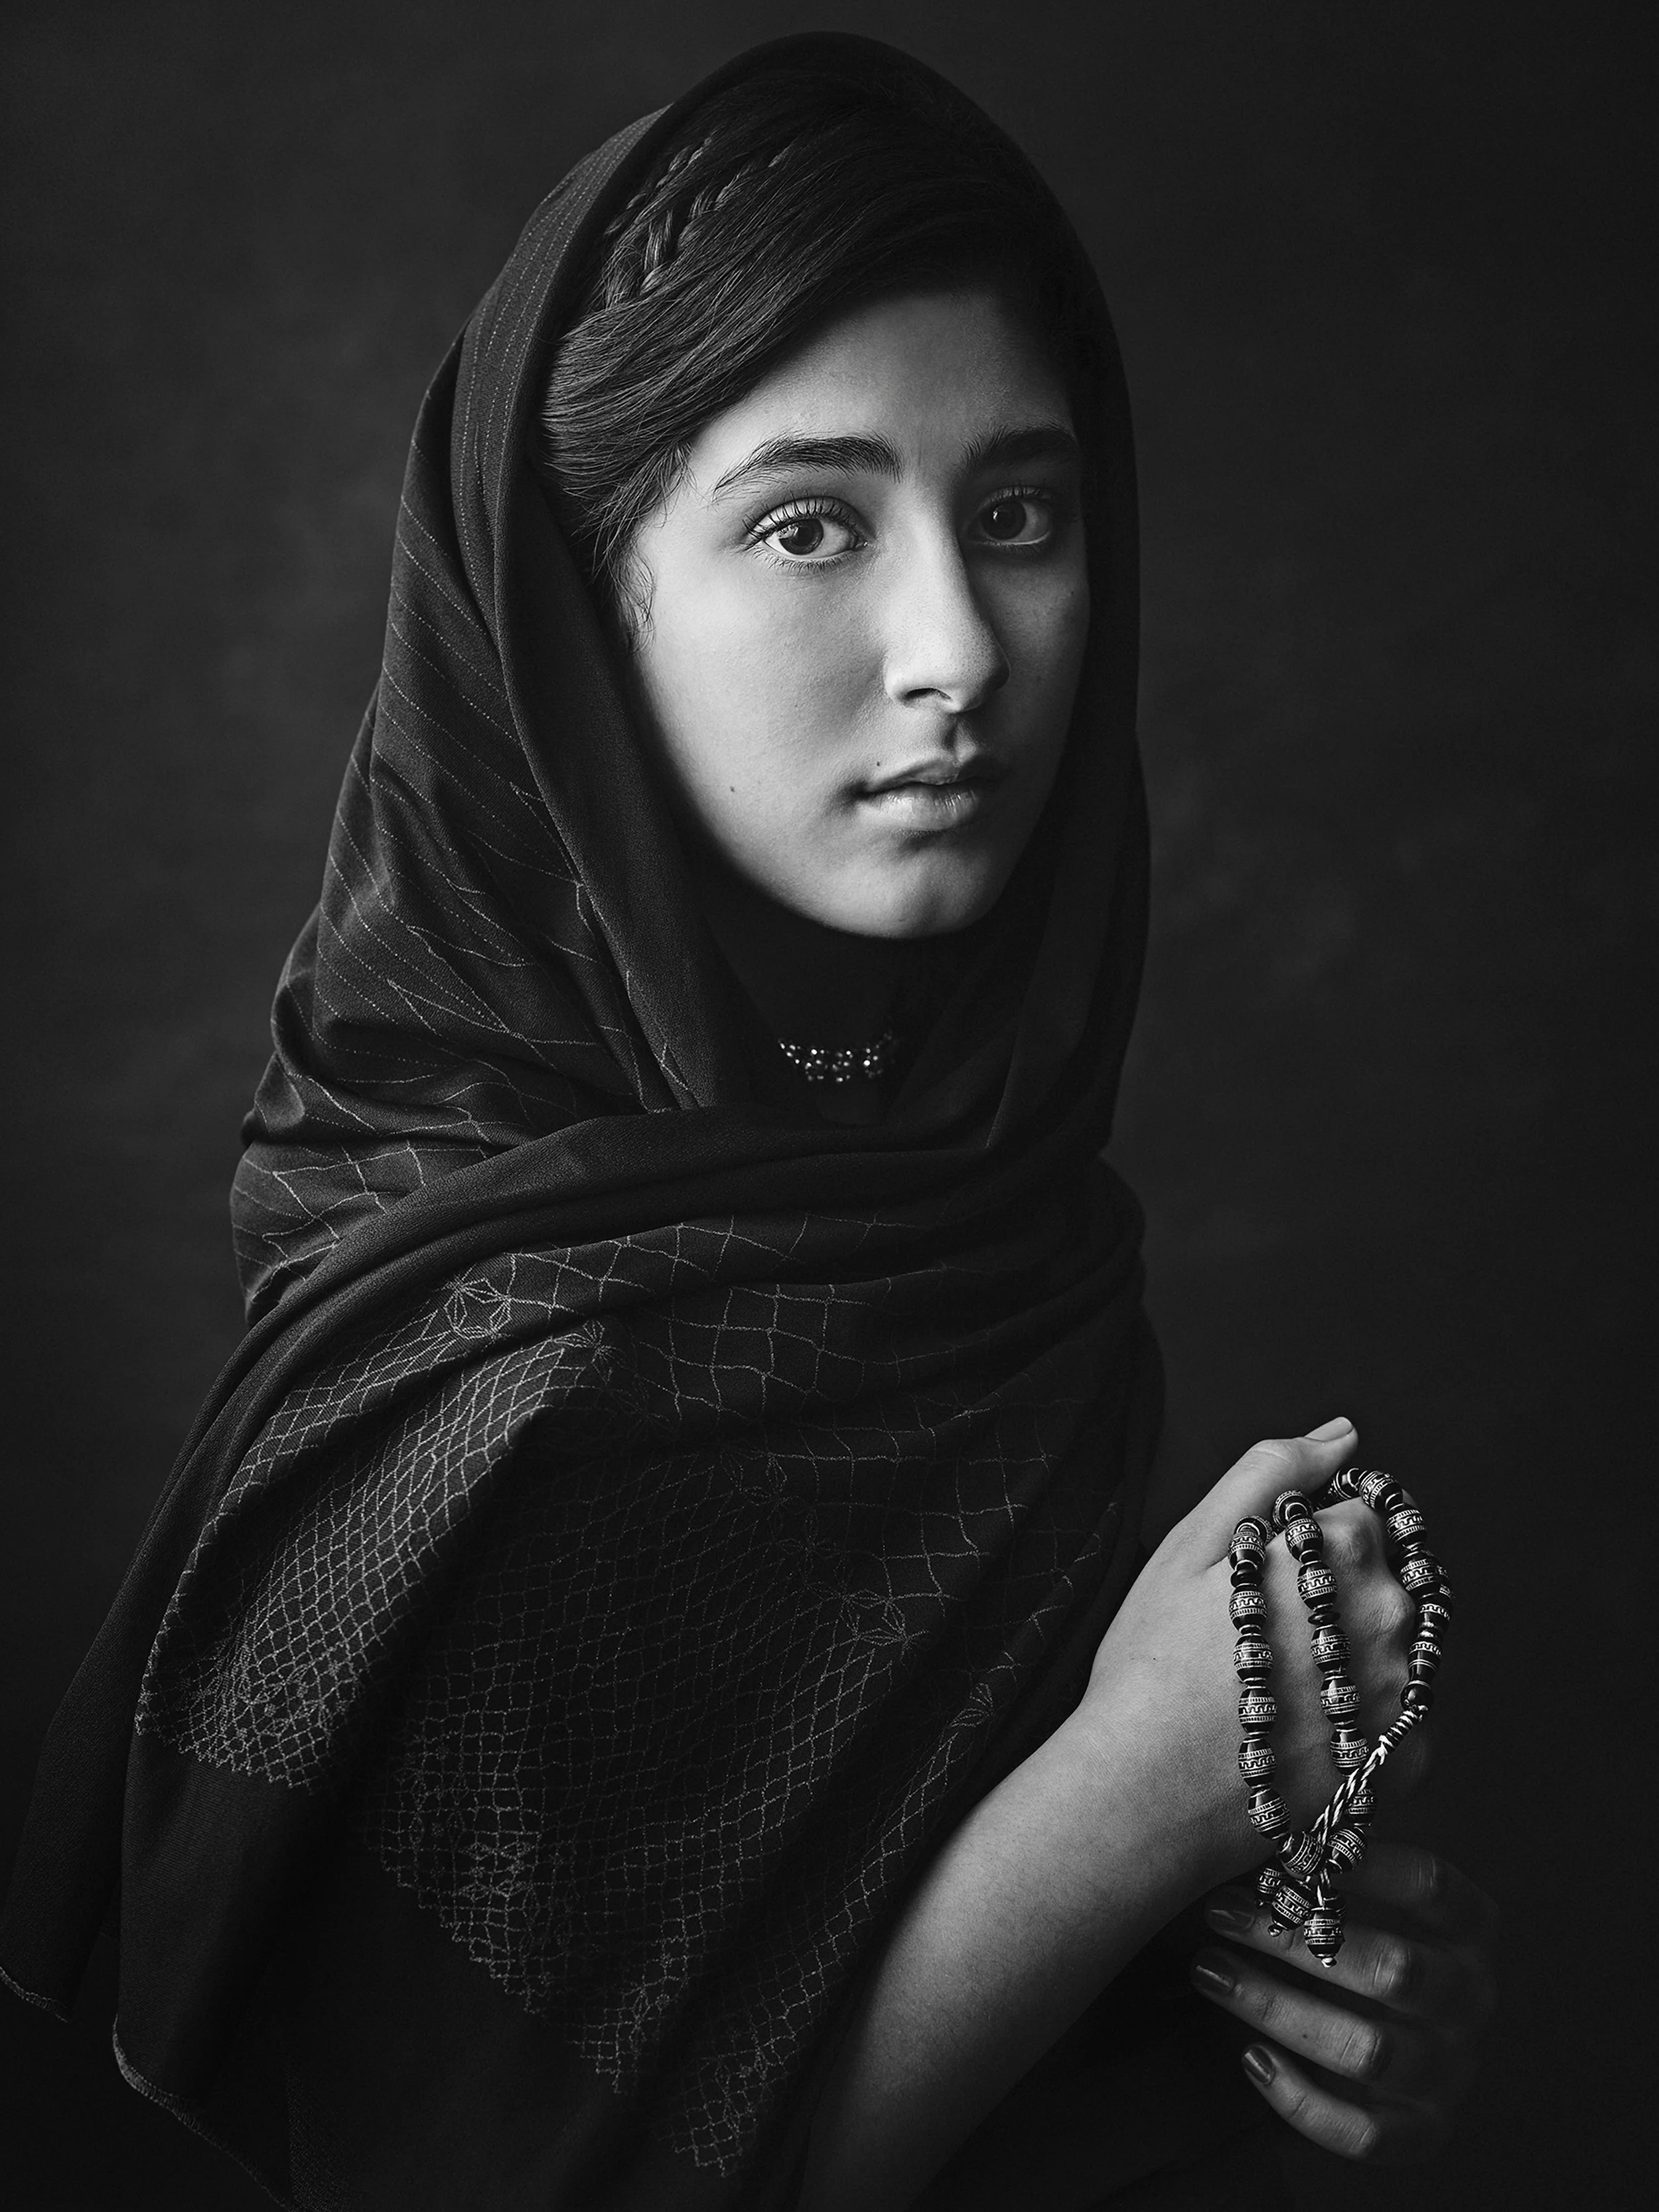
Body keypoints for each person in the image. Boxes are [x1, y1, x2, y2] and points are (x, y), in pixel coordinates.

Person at [0, 33, 1495, 2211]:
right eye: (810, 523)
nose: (957, 647)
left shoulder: (986, 1222)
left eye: (1019, 515)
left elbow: (844, 1955)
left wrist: (1262, 1983)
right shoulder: (498, 1367)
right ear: (583, 622)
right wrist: (1123, 1806)